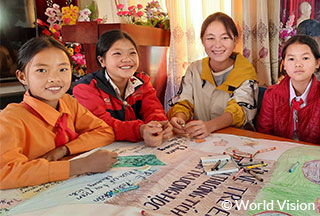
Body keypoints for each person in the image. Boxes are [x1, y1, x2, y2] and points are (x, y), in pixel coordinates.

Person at [0, 37, 118, 190]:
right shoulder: (11, 119)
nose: (54, 78)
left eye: (62, 69)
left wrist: (64, 150)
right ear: (22, 77)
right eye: (42, 70)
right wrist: (77, 166)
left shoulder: (68, 103)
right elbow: (5, 173)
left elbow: (105, 132)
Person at [73, 30, 173, 147]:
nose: (127, 59)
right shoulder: (86, 87)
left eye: (132, 53)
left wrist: (158, 125)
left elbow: (153, 109)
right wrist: (140, 130)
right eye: (117, 54)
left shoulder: (142, 81)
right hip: (100, 151)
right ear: (102, 61)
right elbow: (101, 124)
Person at [167, 12, 258, 139]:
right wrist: (179, 119)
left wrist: (210, 126)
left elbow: (239, 111)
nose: (217, 45)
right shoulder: (194, 69)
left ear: (235, 40)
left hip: (236, 139)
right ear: (202, 41)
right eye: (210, 38)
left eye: (225, 38)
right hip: (201, 139)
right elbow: (184, 102)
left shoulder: (245, 71)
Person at [258, 35, 320, 144]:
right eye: (291, 59)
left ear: (317, 63)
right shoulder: (272, 94)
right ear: (284, 65)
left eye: (305, 58)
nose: (298, 64)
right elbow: (264, 135)